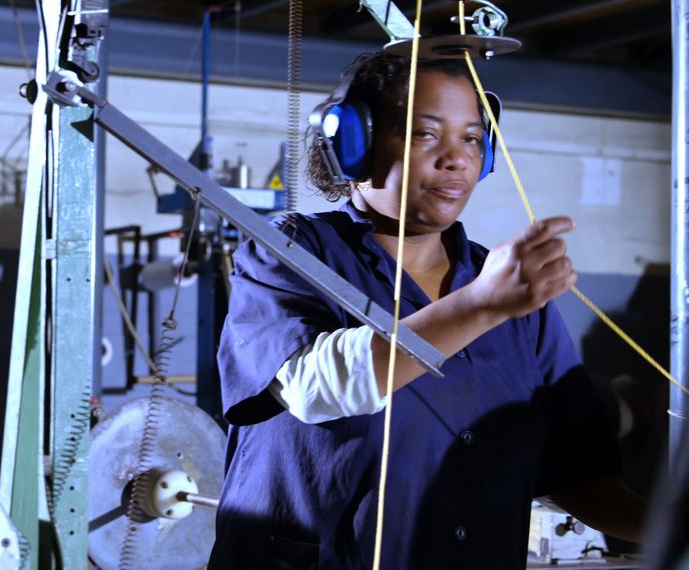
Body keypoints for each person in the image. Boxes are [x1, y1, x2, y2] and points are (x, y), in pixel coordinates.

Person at [208, 52, 647, 569]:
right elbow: (311, 386)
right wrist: (482, 305)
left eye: (471, 138)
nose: (456, 159)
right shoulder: (292, 251)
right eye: (425, 134)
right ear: (355, 143)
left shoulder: (511, 291)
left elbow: (576, 471)